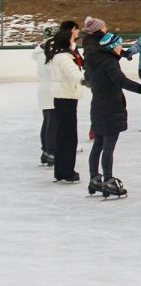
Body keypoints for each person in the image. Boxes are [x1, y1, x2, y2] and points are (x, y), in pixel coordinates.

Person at [82, 30, 141, 198]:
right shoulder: (109, 63)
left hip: (98, 106)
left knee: (98, 144)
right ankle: (108, 179)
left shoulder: (95, 60)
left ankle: (94, 178)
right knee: (108, 145)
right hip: (110, 107)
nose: (121, 47)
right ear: (113, 47)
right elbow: (121, 81)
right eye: (119, 45)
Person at [46, 23, 85, 184]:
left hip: (64, 97)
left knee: (65, 134)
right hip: (66, 98)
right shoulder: (64, 57)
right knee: (68, 136)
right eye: (71, 37)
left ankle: (62, 170)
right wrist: (85, 80)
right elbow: (73, 72)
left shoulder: (61, 54)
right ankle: (66, 171)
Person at [32, 25, 58, 167]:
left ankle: (46, 151)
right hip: (51, 89)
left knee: (47, 121)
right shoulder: (48, 52)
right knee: (52, 122)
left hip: (44, 89)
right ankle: (51, 152)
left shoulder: (42, 51)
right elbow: (52, 71)